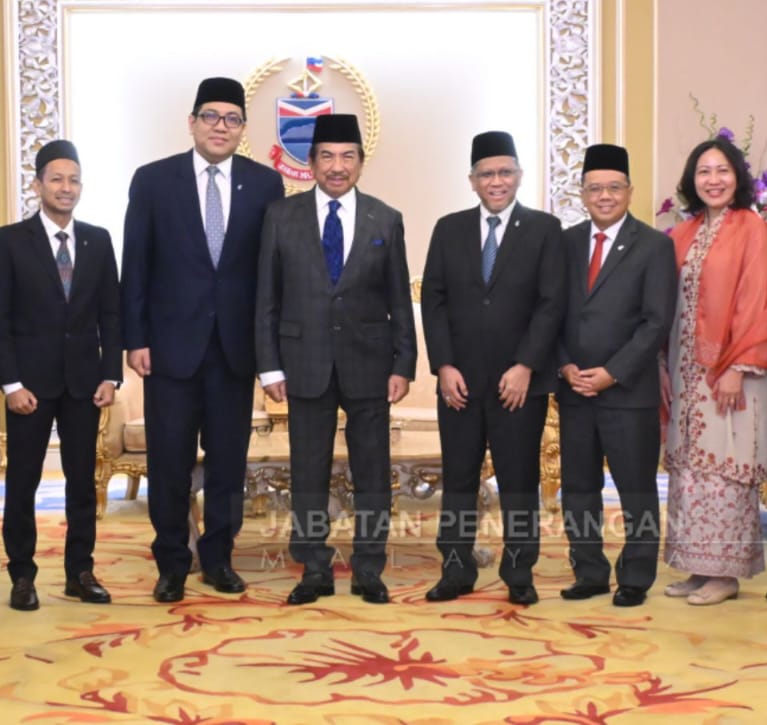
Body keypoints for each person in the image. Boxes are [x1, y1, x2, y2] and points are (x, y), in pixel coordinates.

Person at [121, 77, 284, 603]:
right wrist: (135, 337)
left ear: (242, 129)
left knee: (227, 465)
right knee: (169, 461)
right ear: (192, 122)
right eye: (211, 116)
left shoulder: (265, 184)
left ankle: (219, 559)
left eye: (232, 119)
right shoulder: (153, 180)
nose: (221, 127)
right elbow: (136, 264)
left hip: (234, 351)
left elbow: (270, 275)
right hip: (169, 349)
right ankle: (172, 562)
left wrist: (269, 351)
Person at [255, 113, 416, 606]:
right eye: (327, 156)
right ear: (311, 163)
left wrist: (403, 364)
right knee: (308, 472)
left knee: (373, 472)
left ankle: (369, 568)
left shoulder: (385, 218)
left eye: (348, 156)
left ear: (361, 163)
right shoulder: (281, 217)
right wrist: (270, 366)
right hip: (303, 363)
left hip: (370, 364)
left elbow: (399, 298)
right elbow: (267, 298)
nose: (337, 166)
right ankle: (314, 569)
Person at [419, 131, 566, 606]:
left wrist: (526, 365)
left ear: (519, 176)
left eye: (505, 172)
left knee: (519, 482)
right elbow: (434, 302)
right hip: (459, 383)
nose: (496, 181)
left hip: (518, 385)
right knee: (459, 480)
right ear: (472, 180)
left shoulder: (544, 229)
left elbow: (551, 304)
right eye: (486, 174)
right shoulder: (449, 229)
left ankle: (519, 572)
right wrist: (443, 365)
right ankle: (456, 569)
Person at [0, 139, 122, 611]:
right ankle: (22, 576)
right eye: (57, 179)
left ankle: (80, 572)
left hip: (84, 384)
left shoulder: (98, 240)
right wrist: (11, 383)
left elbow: (111, 314)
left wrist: (111, 375)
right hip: (29, 386)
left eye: (74, 180)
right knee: (22, 483)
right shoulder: (11, 239)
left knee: (81, 482)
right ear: (38, 184)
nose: (67, 188)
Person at [661, 138, 767, 606]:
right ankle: (699, 566)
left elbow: (761, 300)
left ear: (738, 177)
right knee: (692, 471)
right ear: (692, 180)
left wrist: (737, 367)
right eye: (704, 172)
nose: (713, 180)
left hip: (733, 373)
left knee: (725, 469)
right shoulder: (683, 233)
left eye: (722, 171)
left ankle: (726, 574)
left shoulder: (752, 229)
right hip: (687, 372)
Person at [557, 144, 677, 608]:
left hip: (628, 392)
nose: (604, 196)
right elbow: (549, 311)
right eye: (595, 188)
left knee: (637, 491)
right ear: (582, 193)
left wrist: (613, 372)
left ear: (629, 191)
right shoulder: (565, 243)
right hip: (574, 390)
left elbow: (656, 322)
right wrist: (564, 364)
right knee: (578, 489)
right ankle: (588, 570)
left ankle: (636, 576)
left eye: (613, 187)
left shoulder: (654, 246)